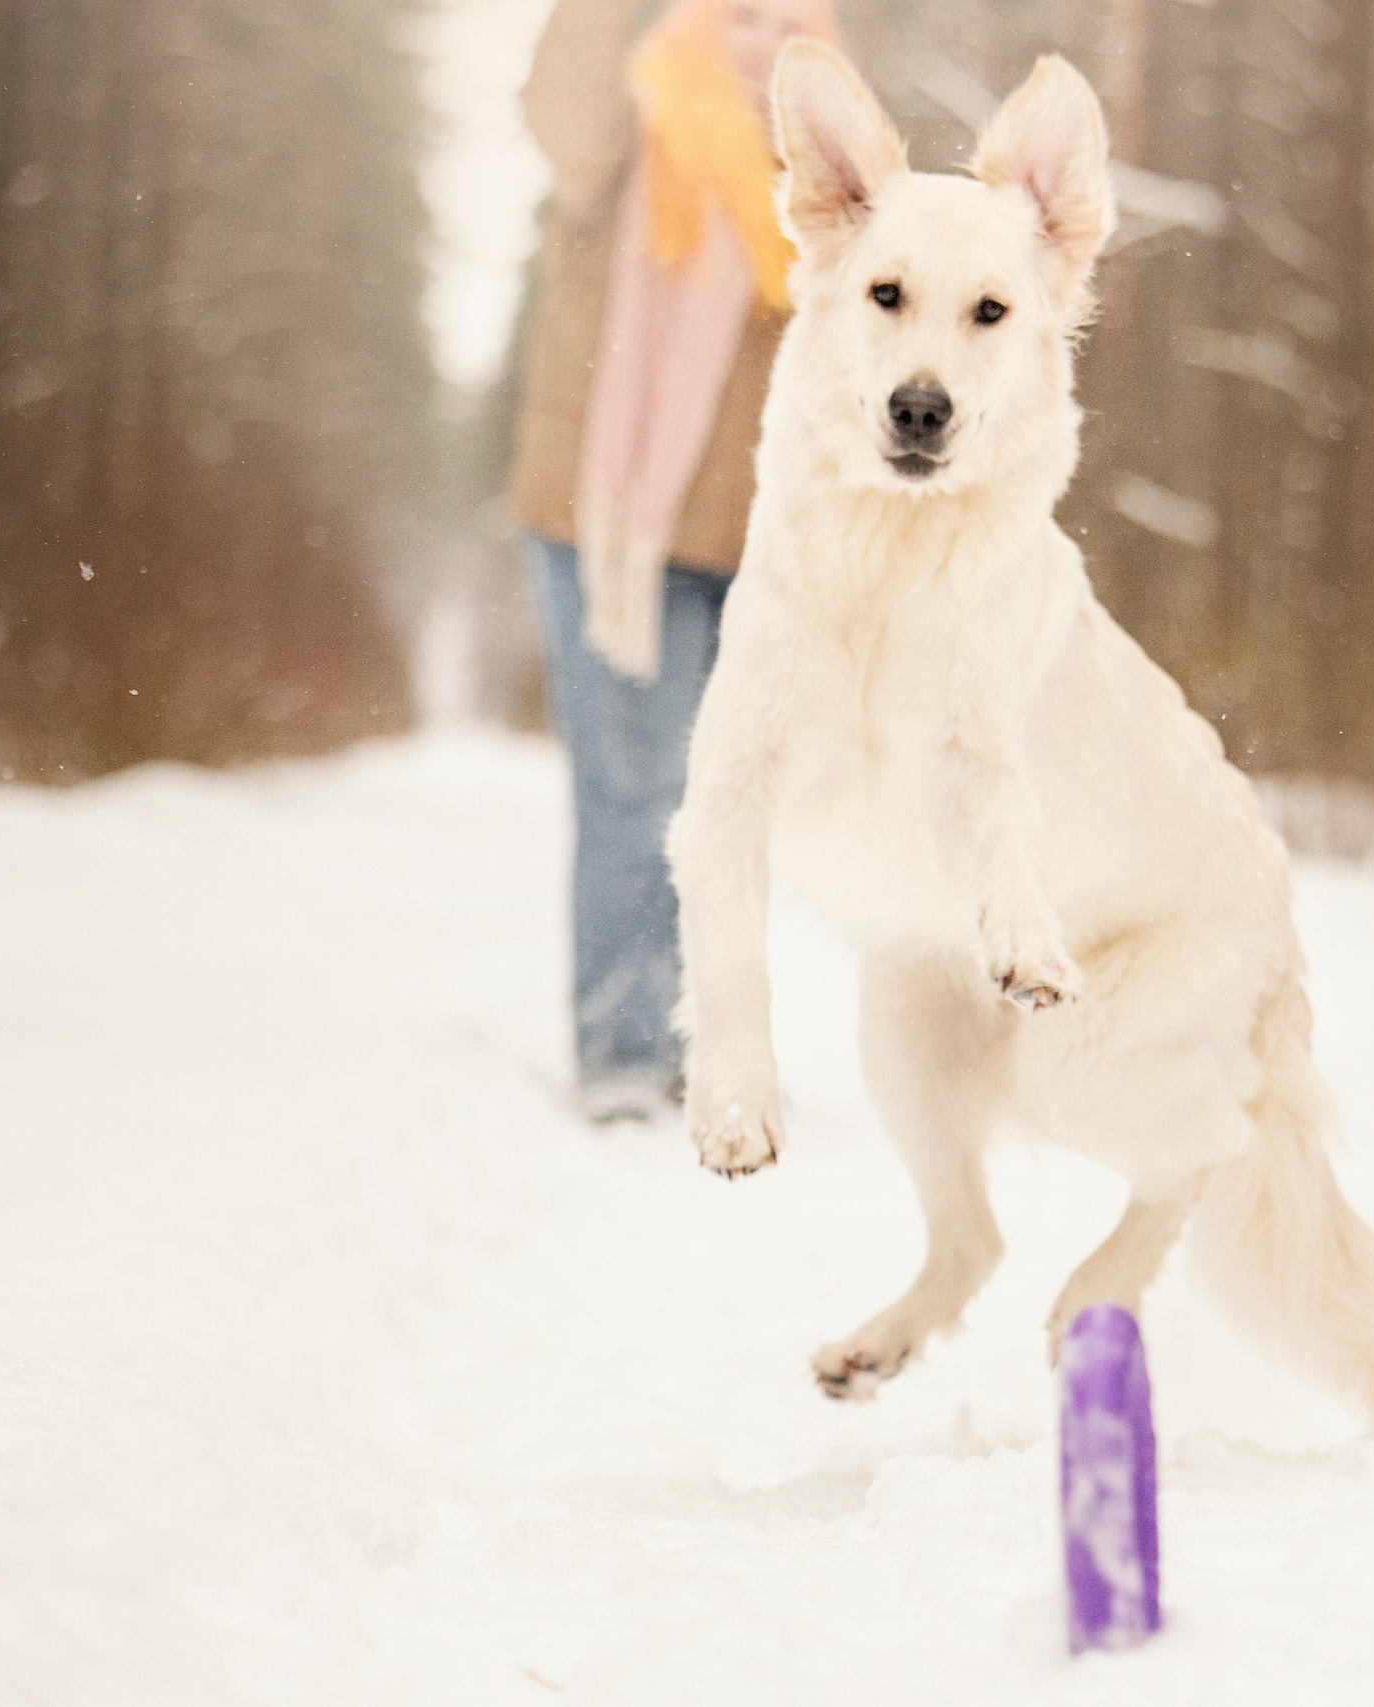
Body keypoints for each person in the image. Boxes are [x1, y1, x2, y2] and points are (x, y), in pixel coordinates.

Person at [510, 0, 835, 1123]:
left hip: (755, 540)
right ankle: (625, 1054)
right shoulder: (627, 104)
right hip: (607, 527)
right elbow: (557, 107)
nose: (761, 29)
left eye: (784, 15)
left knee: (730, 808)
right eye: (740, 9)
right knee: (634, 794)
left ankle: (710, 1045)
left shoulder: (819, 131)